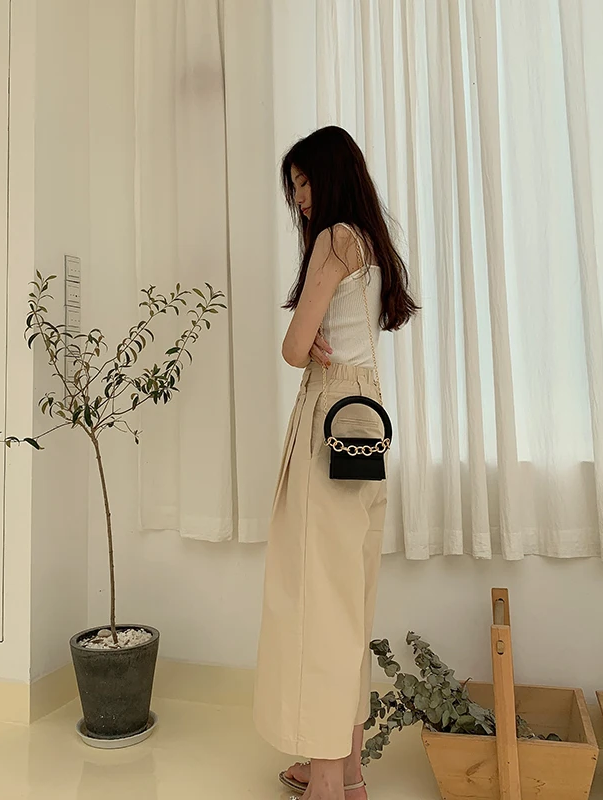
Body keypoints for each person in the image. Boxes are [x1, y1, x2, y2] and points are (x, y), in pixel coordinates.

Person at [253, 126, 418, 800]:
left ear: (332, 175)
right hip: (367, 417)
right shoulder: (372, 245)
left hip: (329, 414)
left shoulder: (332, 239)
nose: (299, 198)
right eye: (293, 187)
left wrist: (306, 338)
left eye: (304, 181)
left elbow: (295, 348)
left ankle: (324, 781)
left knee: (320, 603)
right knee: (350, 600)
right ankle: (347, 772)